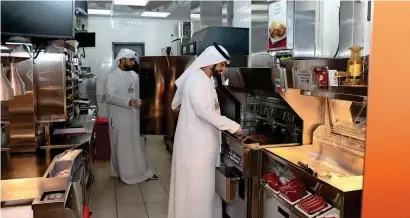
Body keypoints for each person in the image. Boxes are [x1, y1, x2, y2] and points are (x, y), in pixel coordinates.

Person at [168, 43, 242, 218]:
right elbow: (204, 112)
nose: (223, 69)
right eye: (222, 65)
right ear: (212, 62)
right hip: (195, 146)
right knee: (196, 189)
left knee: (205, 189)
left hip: (204, 144)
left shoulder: (207, 79)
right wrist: (234, 126)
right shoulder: (196, 79)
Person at [103, 48, 158, 184]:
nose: (133, 62)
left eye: (134, 60)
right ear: (121, 59)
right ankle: (123, 173)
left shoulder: (134, 75)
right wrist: (128, 102)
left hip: (134, 118)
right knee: (121, 148)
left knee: (136, 146)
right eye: (131, 59)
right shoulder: (113, 76)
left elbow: (138, 94)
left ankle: (139, 172)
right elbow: (109, 97)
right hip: (119, 119)